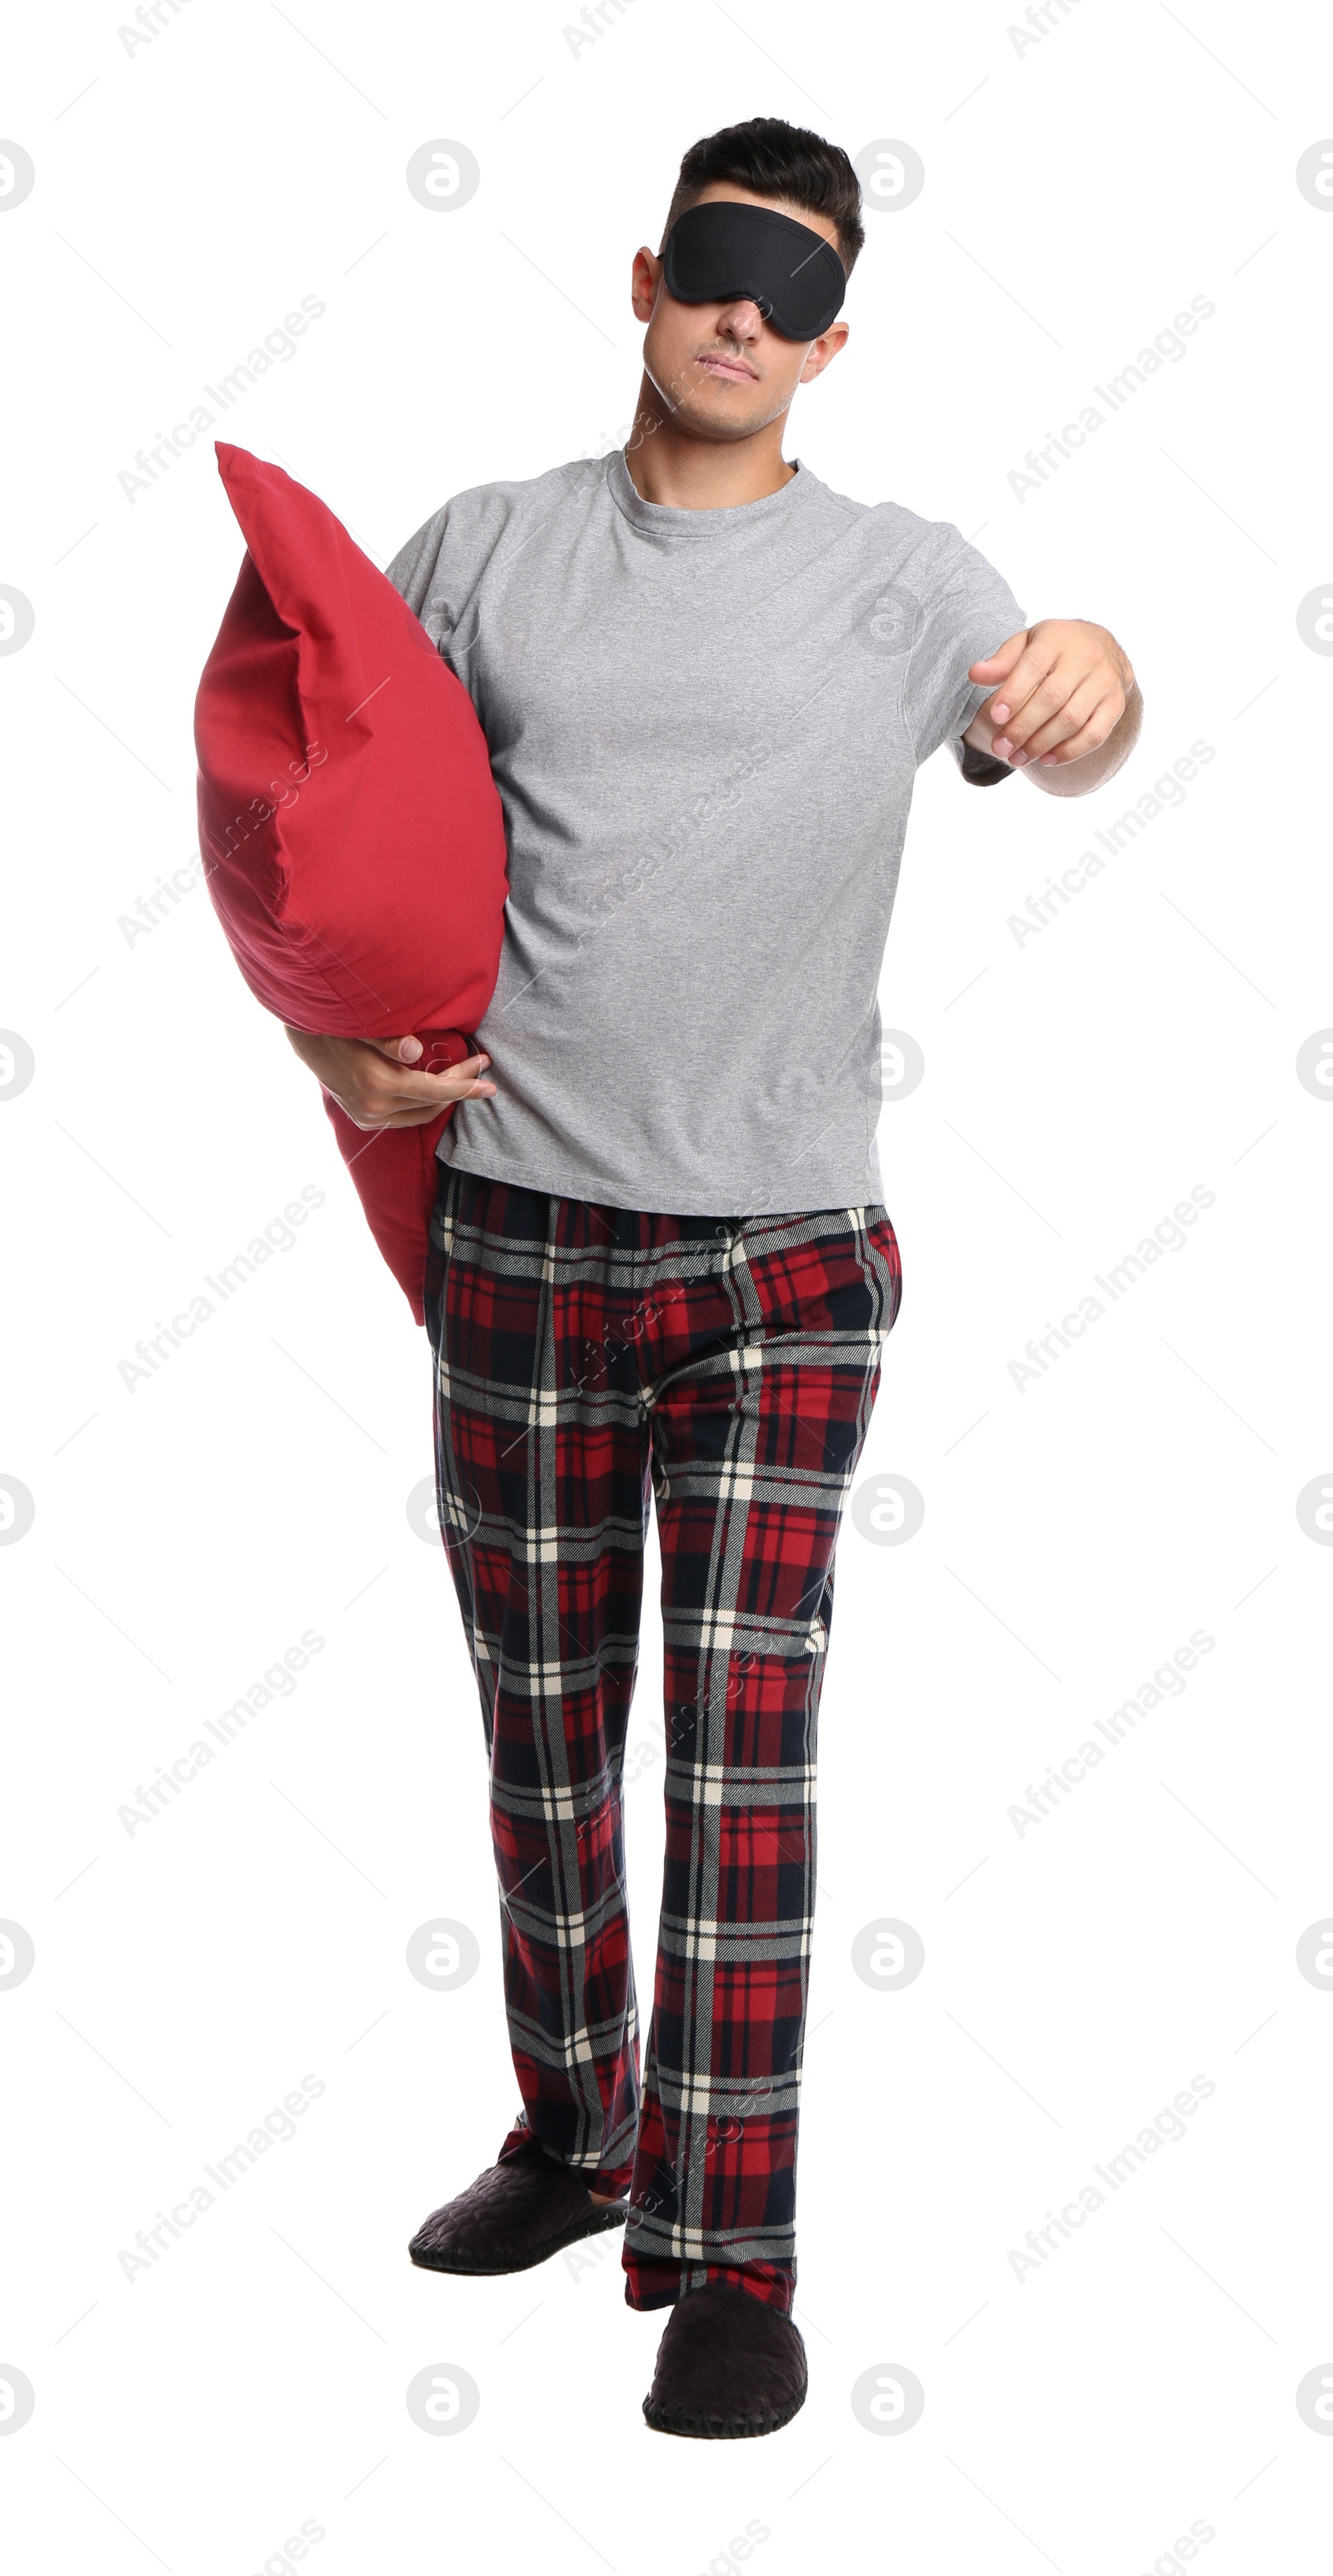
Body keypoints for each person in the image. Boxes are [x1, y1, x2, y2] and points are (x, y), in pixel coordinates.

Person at [284, 115, 1140, 2440]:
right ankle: (578, 2133)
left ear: (833, 335)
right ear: (650, 272)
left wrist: (1093, 669)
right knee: (548, 1736)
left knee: (742, 1736)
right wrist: (324, 1029)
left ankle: (732, 2244)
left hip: (783, 1251)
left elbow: (1059, 713)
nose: (746, 310)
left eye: (797, 285)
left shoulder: (899, 579)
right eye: (719, 264)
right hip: (523, 1236)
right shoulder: (483, 552)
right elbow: (337, 819)